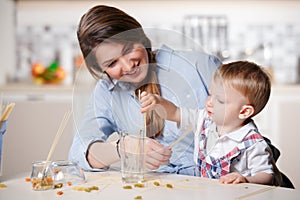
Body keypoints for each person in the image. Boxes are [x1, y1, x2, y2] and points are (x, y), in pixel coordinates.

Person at [68, 5, 222, 175]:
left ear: (141, 38)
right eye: (112, 63)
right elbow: (78, 154)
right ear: (101, 69)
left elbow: (245, 133)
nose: (128, 66)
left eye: (128, 50)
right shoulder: (106, 92)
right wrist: (122, 148)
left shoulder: (200, 66)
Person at [140, 60, 282, 185]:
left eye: (219, 100)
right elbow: (176, 113)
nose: (209, 102)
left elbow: (266, 176)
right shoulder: (204, 119)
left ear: (244, 112)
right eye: (210, 94)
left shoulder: (252, 143)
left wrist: (245, 179)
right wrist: (158, 102)